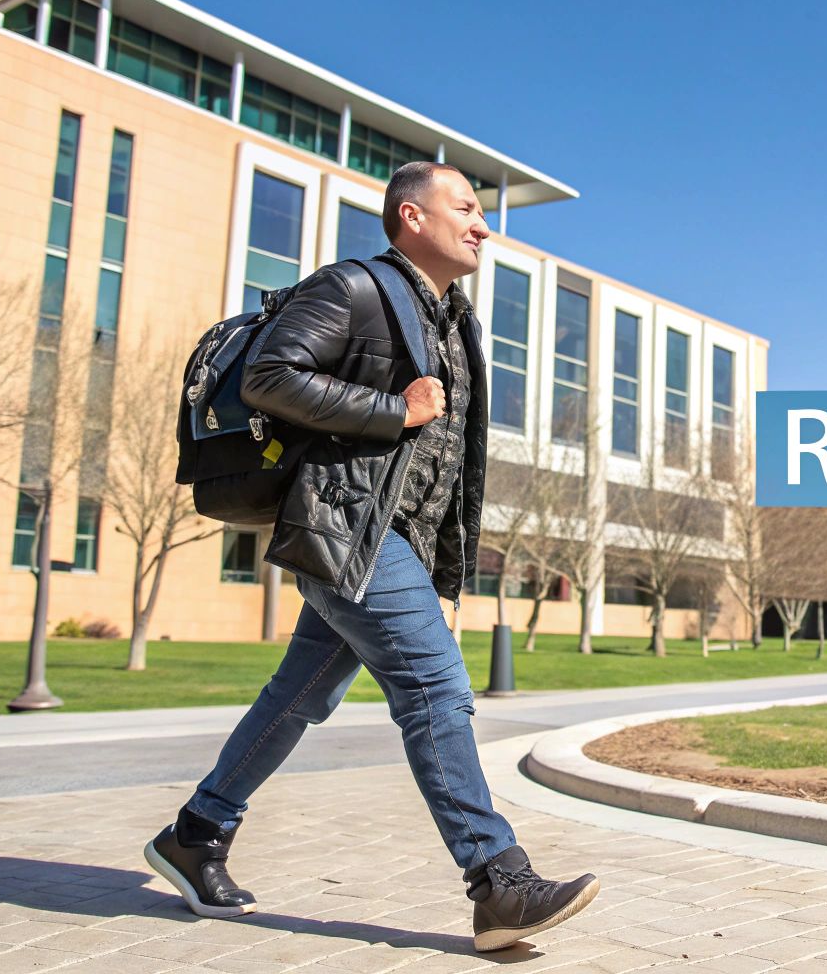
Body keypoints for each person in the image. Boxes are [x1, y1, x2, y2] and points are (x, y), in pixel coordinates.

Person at [143, 162, 597, 952]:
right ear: (411, 216)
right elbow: (269, 375)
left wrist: (442, 574)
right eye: (466, 208)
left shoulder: (456, 323)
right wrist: (396, 408)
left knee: (299, 698)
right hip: (346, 529)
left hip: (397, 543)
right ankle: (499, 882)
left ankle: (197, 833)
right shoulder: (353, 288)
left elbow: (448, 465)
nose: (483, 226)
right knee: (434, 688)